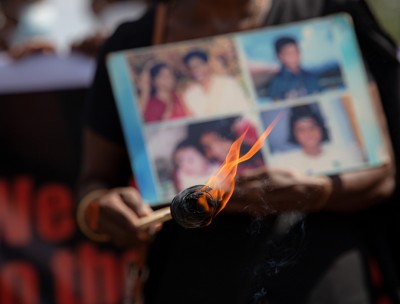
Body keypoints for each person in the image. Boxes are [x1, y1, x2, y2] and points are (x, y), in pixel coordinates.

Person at [77, 0, 399, 303]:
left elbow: (383, 176)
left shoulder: (321, 16)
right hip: (192, 285)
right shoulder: (135, 42)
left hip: (324, 286)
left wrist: (317, 191)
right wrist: (102, 209)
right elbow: (95, 183)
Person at [272, 104, 365, 175]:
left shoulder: (344, 152)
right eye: (301, 130)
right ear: (294, 134)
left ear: (321, 128)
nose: (308, 133)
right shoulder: (287, 164)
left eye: (312, 127)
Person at [182, 49, 251, 117]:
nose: (195, 70)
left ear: (207, 65)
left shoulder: (228, 84)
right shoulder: (189, 94)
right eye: (191, 67)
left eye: (198, 65)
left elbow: (245, 111)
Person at [266, 36, 321, 101]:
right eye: (289, 53)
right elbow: (277, 104)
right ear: (280, 56)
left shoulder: (310, 76)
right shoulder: (277, 82)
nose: (294, 56)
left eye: (296, 52)